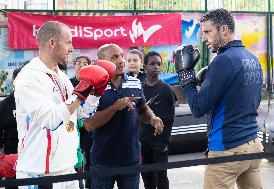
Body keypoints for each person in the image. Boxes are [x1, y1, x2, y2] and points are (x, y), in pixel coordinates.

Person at [14, 21, 112, 189]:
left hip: (67, 168)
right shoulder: (29, 77)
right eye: (68, 42)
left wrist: (95, 93)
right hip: (39, 173)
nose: (72, 48)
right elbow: (49, 119)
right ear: (52, 42)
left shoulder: (62, 76)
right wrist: (82, 91)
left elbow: (78, 113)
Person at [174, 8, 264, 189]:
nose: (204, 38)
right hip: (253, 144)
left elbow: (199, 108)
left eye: (207, 32)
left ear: (223, 29)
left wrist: (186, 79)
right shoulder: (252, 58)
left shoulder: (223, 61)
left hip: (228, 149)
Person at [83, 44, 164, 189]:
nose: (121, 60)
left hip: (131, 159)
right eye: (114, 57)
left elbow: (142, 109)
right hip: (103, 160)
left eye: (121, 55)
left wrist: (152, 119)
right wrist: (115, 107)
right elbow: (89, 125)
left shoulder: (134, 82)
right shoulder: (93, 86)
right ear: (101, 62)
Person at [139, 51, 176, 189]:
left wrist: (164, 140)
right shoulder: (140, 88)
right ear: (145, 66)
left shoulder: (166, 89)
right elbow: (137, 115)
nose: (156, 67)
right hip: (143, 140)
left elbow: (170, 118)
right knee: (147, 177)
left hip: (160, 142)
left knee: (160, 175)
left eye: (159, 64)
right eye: (152, 64)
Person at [70, 55, 93, 189]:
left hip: (89, 127)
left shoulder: (93, 84)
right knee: (75, 159)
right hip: (72, 127)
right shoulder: (68, 83)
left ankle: (89, 185)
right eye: (79, 63)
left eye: (85, 63)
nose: (81, 65)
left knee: (89, 159)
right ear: (74, 66)